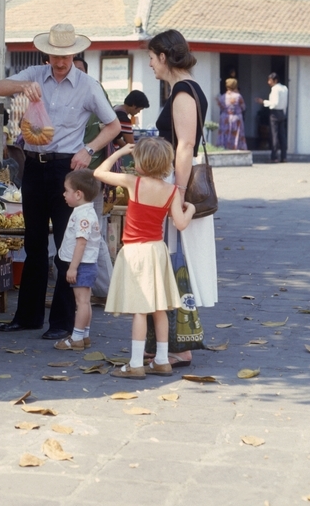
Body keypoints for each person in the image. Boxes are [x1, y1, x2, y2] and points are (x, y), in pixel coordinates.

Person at [0, 23, 120, 341]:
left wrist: (89, 150)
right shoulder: (35, 74)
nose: (60, 62)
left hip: (67, 168)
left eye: (66, 56)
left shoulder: (87, 85)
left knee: (66, 244)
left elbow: (113, 125)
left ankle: (62, 321)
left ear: (75, 54)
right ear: (46, 54)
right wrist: (23, 87)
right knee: (34, 243)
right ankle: (28, 316)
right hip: (34, 166)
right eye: (55, 56)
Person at [95, 137, 195, 378]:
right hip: (157, 251)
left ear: (140, 162)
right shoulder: (172, 191)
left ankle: (136, 364)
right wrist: (191, 209)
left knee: (140, 310)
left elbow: (99, 173)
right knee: (160, 308)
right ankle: (162, 360)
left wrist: (119, 152)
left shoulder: (133, 182)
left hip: (135, 252)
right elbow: (181, 223)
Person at [149, 28, 217, 365]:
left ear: (164, 57)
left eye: (152, 58)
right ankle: (165, 343)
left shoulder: (183, 92)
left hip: (176, 184)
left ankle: (179, 346)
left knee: (174, 260)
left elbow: (185, 145)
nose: (150, 64)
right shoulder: (185, 89)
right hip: (174, 182)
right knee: (169, 260)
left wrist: (175, 190)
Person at [71, 57, 115, 300]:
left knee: (92, 232)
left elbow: (111, 128)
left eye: (79, 69)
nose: (74, 74)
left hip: (91, 175)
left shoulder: (93, 92)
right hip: (73, 175)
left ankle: (108, 289)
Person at [52, 169, 103, 351]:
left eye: (67, 191)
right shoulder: (85, 211)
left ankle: (76, 337)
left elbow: (81, 243)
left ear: (78, 194)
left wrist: (73, 268)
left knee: (81, 303)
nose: (64, 194)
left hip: (82, 265)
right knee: (85, 301)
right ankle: (84, 334)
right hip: (87, 264)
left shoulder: (83, 216)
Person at [256, 72, 289, 162]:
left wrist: (263, 102)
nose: (268, 82)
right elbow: (284, 103)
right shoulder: (284, 88)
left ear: (275, 80)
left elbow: (274, 103)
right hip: (282, 112)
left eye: (270, 80)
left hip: (275, 113)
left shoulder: (275, 89)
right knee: (282, 136)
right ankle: (284, 156)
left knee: (274, 135)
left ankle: (274, 157)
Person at [216, 78, 247, 150]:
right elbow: (243, 107)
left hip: (224, 117)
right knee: (236, 134)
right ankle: (236, 147)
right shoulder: (238, 96)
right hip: (236, 117)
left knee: (224, 133)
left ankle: (224, 147)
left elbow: (221, 107)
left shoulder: (222, 97)